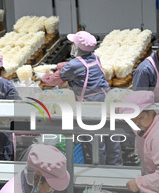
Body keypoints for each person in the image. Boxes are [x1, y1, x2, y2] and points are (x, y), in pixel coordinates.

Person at [40, 31, 121, 166]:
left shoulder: (73, 66)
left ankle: (99, 174)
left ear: (76, 47)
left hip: (91, 106)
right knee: (112, 139)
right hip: (107, 100)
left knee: (96, 143)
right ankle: (116, 171)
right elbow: (77, 66)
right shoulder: (95, 57)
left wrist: (43, 76)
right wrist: (61, 66)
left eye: (73, 44)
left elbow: (54, 81)